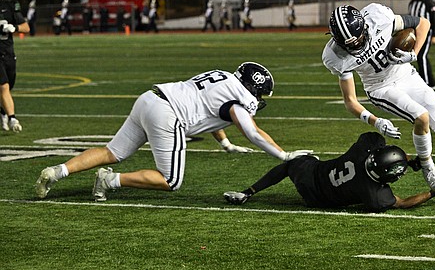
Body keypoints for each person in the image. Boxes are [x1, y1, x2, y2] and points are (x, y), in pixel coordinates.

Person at [35, 62, 314, 201]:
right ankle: (111, 181)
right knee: (171, 180)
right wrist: (284, 155)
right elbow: (251, 131)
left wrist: (225, 144)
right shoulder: (241, 98)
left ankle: (57, 172)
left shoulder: (222, 77)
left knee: (112, 151)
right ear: (254, 88)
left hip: (150, 98)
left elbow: (210, 109)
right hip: (168, 115)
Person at [322, 4, 435, 205]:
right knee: (421, 117)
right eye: (349, 43)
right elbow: (350, 100)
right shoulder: (335, 57)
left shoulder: (378, 17)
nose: (357, 44)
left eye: (359, 37)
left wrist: (413, 54)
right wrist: (375, 121)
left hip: (406, 74)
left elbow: (423, 24)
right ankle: (429, 170)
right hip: (380, 88)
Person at [224, 131, 435, 212]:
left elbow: (381, 148)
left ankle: (249, 192)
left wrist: (408, 160)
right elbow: (403, 202)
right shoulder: (375, 196)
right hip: (318, 201)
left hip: (312, 174)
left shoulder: (363, 148)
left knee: (289, 164)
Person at [0, 0, 30, 132]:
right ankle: (12, 118)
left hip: (9, 53)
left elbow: (26, 27)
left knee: (8, 87)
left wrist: (14, 28)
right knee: (3, 86)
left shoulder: (9, 7)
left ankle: (3, 111)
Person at [408, 0, 435, 89]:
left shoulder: (429, 3)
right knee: (416, 57)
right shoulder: (412, 3)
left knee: (421, 56)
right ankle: (430, 82)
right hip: (414, 34)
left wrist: (434, 35)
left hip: (426, 33)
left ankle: (427, 83)